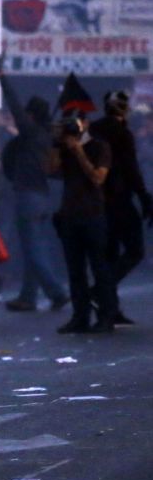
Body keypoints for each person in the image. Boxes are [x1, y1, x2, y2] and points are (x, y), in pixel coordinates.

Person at [0, 75, 69, 313]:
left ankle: (56, 292)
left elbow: (16, 109)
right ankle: (27, 297)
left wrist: (2, 79)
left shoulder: (32, 134)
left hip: (29, 196)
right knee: (34, 248)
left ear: (31, 115)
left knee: (33, 249)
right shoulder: (47, 137)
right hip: (42, 197)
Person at [89, 90, 153, 326]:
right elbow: (131, 168)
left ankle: (110, 307)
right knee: (135, 250)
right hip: (119, 199)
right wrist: (144, 197)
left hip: (97, 199)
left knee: (110, 252)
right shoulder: (123, 134)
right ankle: (102, 292)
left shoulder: (92, 131)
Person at [51, 109, 115, 333]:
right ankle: (81, 316)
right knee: (75, 270)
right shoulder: (64, 147)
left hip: (93, 214)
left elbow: (98, 178)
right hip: (70, 215)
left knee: (99, 267)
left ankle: (106, 316)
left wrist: (79, 151)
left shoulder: (99, 146)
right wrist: (56, 143)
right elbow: (50, 170)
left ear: (86, 124)